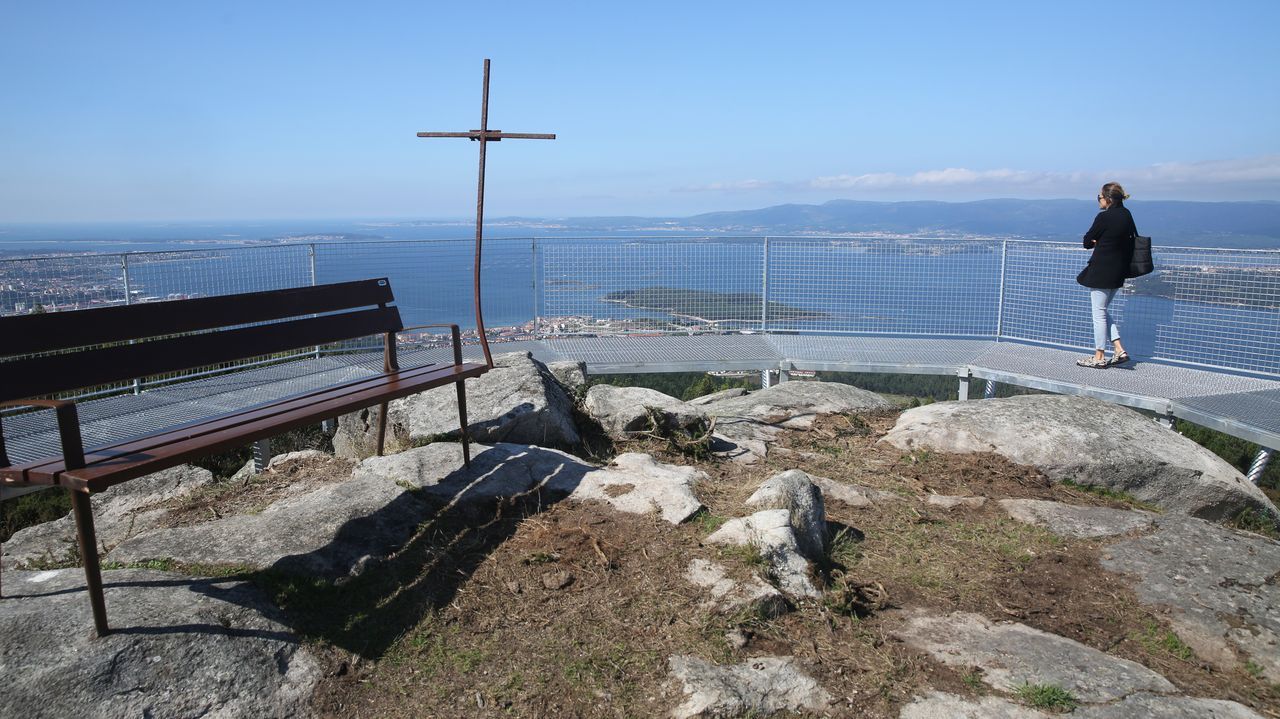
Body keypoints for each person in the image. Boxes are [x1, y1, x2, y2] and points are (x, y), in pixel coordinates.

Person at [1075, 182, 1136, 368]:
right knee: (1102, 311)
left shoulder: (1104, 217)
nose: (1098, 201)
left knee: (1098, 314)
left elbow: (1087, 241)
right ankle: (1119, 350)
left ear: (1108, 198)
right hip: (1118, 271)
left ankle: (1099, 357)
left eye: (1099, 197)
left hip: (1101, 270)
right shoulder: (1126, 215)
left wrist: (1097, 241)